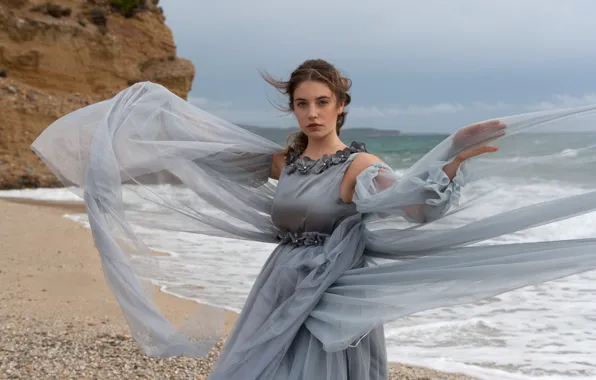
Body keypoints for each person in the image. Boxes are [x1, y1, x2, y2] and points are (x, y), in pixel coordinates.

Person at [30, 59, 596, 380]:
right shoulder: (284, 161)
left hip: (332, 288)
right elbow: (204, 166)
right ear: (293, 109)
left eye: (323, 102)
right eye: (303, 103)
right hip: (280, 282)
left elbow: (417, 208)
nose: (313, 112)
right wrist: (121, 158)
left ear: (341, 104)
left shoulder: (361, 165)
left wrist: (452, 156)